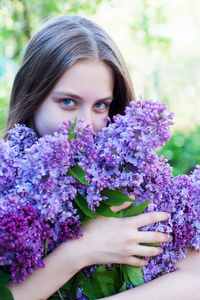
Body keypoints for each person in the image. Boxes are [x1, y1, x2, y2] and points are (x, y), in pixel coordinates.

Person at [3, 15, 200, 300]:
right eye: (67, 102)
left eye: (100, 105)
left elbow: (194, 278)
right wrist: (81, 250)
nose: (85, 124)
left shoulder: (133, 180)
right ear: (32, 97)